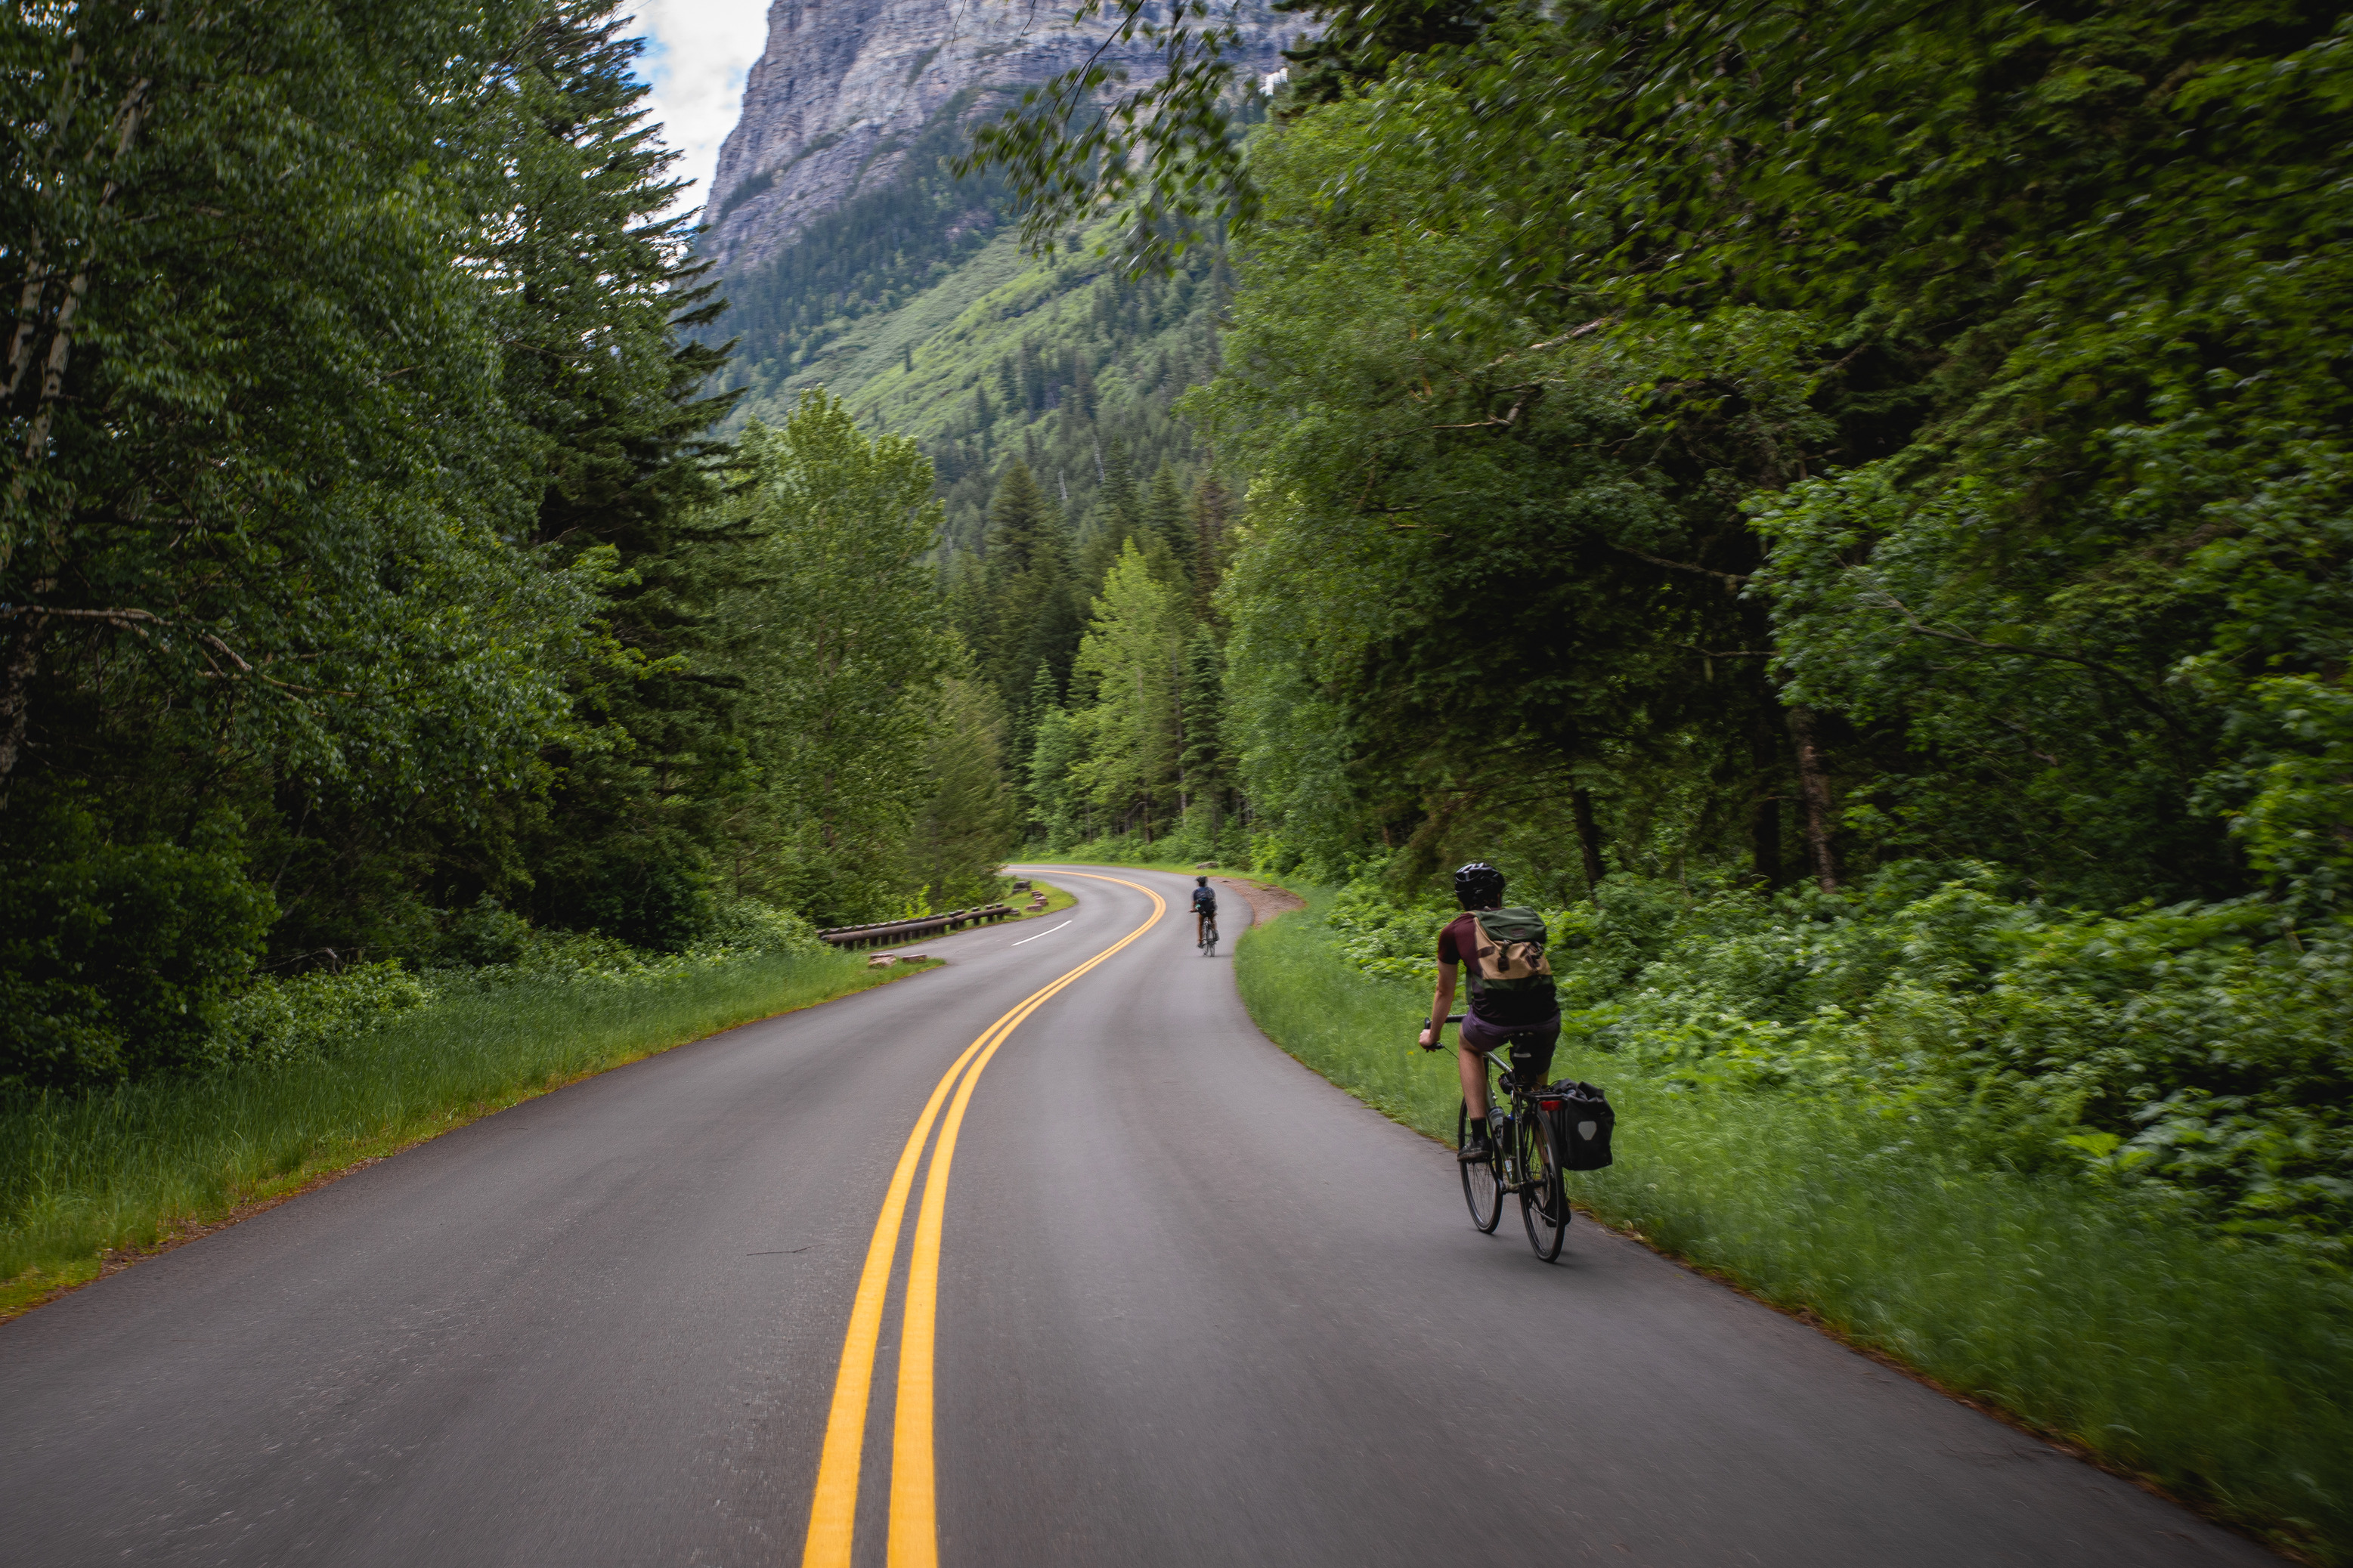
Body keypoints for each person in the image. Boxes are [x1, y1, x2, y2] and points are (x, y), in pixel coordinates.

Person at [1418, 861, 1560, 1162]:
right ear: (1499, 895)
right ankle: (1552, 1187)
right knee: (1536, 1091)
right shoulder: (1525, 919)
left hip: (1492, 1021)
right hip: (1546, 1018)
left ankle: (1479, 1136)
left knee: (1468, 1046)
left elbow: (1444, 991)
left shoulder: (1455, 930)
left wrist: (1433, 1035)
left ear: (1461, 899)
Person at [1190, 876, 1218, 944]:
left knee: (1200, 924)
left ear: (1199, 883)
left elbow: (1195, 903)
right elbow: (1213, 900)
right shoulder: (1211, 890)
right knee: (1212, 920)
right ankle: (1215, 931)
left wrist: (1194, 909)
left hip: (1202, 911)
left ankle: (1200, 941)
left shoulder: (1196, 892)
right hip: (1211, 910)